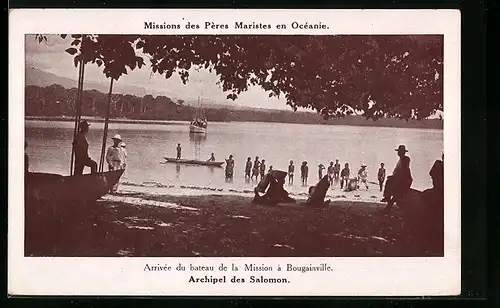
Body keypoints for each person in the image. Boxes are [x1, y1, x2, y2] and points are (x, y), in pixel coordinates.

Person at [381, 145, 413, 213]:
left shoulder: (405, 159)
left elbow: (404, 170)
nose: (398, 153)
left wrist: (395, 177)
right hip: (400, 178)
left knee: (395, 192)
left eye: (399, 152)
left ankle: (388, 205)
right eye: (398, 151)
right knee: (393, 190)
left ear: (402, 152)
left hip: (402, 179)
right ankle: (388, 203)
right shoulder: (402, 159)